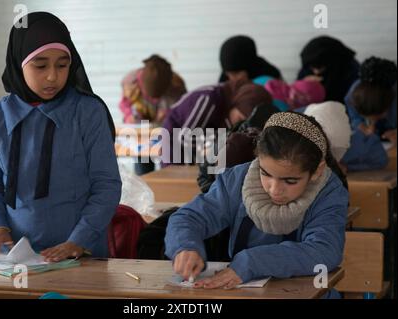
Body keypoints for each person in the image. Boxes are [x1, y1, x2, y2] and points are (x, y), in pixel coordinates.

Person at [0, 12, 122, 261]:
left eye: (62, 65)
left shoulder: (87, 112)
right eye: (40, 66)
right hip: (16, 258)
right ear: (19, 62)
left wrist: (79, 241)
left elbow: (106, 185)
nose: (53, 76)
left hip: (80, 256)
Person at [165, 112, 348, 298]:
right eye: (265, 173)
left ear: (317, 171)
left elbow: (324, 250)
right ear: (258, 158)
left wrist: (251, 263)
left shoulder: (329, 193)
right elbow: (189, 217)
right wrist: (185, 246)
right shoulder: (237, 180)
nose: (274, 189)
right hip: (244, 293)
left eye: (290, 181)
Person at [161, 80, 272, 165]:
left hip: (195, 152)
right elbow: (186, 137)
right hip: (173, 142)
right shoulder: (209, 99)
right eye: (239, 118)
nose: (240, 126)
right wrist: (226, 140)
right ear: (236, 102)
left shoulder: (230, 108)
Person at [342, 57, 397, 171]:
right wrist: (360, 124)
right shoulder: (354, 94)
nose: (372, 124)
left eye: (377, 117)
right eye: (366, 116)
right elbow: (354, 117)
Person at [119, 54, 187, 125]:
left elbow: (183, 110)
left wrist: (168, 114)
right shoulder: (131, 82)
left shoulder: (177, 86)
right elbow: (124, 103)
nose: (154, 100)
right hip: (138, 125)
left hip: (166, 126)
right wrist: (129, 115)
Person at [297, 35, 359, 103]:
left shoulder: (351, 69)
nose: (316, 72)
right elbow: (296, 95)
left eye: (319, 67)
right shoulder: (309, 64)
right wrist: (304, 85)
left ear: (331, 62)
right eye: (312, 68)